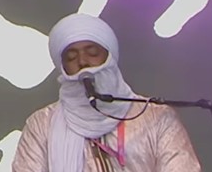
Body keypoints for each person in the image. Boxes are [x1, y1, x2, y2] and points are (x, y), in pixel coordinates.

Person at [12, 13, 202, 172]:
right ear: (62, 67)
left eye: (92, 53)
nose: (83, 62)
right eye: (71, 57)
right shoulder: (42, 124)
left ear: (110, 56)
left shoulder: (155, 117)